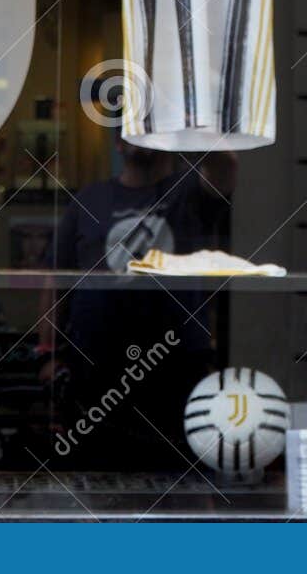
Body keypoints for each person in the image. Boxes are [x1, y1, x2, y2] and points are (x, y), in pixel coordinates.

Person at [41, 140, 235, 468]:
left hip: (175, 368)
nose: (139, 136)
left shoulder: (189, 191)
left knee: (180, 484)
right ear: (117, 143)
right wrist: (47, 353)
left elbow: (226, 166)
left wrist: (186, 128)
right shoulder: (89, 199)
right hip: (96, 372)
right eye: (133, 128)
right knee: (95, 483)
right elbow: (55, 281)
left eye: (149, 127)